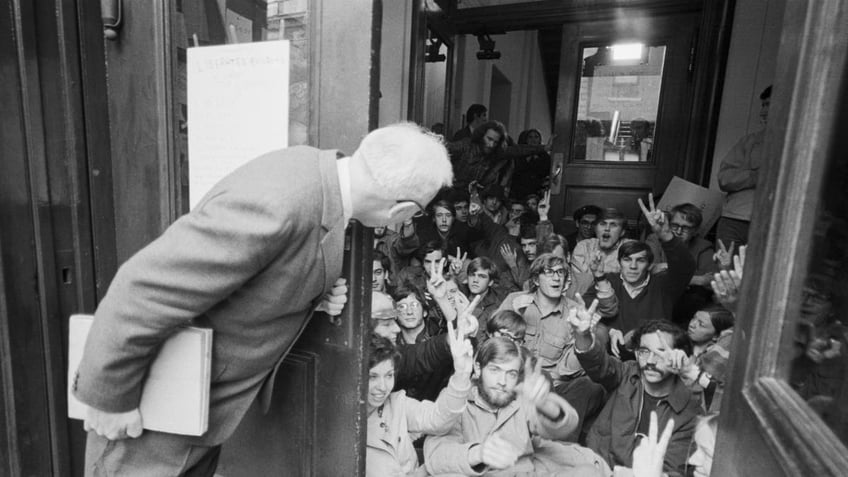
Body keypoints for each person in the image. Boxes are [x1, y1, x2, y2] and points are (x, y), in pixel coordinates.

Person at [73, 123, 453, 475]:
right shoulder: (281, 202)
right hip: (152, 420)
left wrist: (314, 295)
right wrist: (111, 398)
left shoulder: (319, 183)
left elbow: (257, 274)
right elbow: (142, 289)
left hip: (200, 416)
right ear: (400, 211)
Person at [423, 337, 613, 476]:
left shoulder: (518, 398)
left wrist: (545, 403)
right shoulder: (457, 400)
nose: (503, 382)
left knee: (587, 472)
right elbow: (437, 454)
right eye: (495, 370)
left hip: (528, 472)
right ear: (478, 368)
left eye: (511, 373)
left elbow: (565, 427)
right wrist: (479, 453)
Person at [497, 253, 617, 439]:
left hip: (556, 386)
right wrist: (514, 314)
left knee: (589, 386)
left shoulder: (575, 311)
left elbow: (569, 370)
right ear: (536, 279)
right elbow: (491, 342)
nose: (556, 277)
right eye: (549, 272)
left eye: (561, 272)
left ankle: (560, 447)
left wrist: (583, 335)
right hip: (514, 377)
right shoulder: (516, 300)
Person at [571, 315, 702, 477]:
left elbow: (671, 469)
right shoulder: (627, 373)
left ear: (677, 357)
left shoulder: (689, 409)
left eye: (661, 352)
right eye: (644, 351)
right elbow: (599, 364)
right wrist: (583, 335)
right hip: (596, 467)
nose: (650, 361)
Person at [365, 320, 473, 477]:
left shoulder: (397, 404)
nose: (382, 386)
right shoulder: (337, 421)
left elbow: (438, 420)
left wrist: (461, 374)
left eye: (389, 375)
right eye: (372, 377)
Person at [603, 195, 697, 357]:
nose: (633, 266)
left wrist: (665, 234)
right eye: (627, 260)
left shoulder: (663, 285)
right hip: (612, 360)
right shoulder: (609, 280)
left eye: (640, 261)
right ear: (619, 263)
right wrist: (610, 331)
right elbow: (585, 314)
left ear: (649, 265)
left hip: (654, 358)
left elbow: (685, 267)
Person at [645, 203, 718, 324]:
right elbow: (651, 270)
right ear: (668, 223)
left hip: (687, 302)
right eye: (675, 225)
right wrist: (697, 279)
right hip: (658, 296)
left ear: (695, 231)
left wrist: (665, 268)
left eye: (686, 228)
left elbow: (711, 279)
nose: (679, 231)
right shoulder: (654, 239)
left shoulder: (703, 246)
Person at [716, 85, 771, 246]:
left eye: (769, 104)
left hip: (772, 222)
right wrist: (756, 176)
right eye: (763, 105)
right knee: (725, 270)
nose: (763, 111)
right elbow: (725, 179)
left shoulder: (801, 145)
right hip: (734, 218)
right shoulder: (749, 141)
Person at [572, 208, 635, 276]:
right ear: (596, 229)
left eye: (613, 225)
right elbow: (581, 281)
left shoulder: (632, 248)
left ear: (622, 232)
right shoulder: (584, 246)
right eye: (603, 224)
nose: (607, 228)